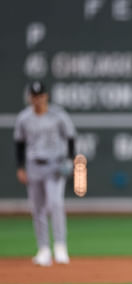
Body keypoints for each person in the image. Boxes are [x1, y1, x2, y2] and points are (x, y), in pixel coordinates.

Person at [14, 81, 76, 266]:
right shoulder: (24, 118)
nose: (37, 100)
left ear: (46, 96)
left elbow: (71, 137)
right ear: (30, 98)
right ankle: (43, 249)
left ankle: (60, 246)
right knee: (38, 208)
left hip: (55, 165)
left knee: (55, 204)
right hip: (34, 165)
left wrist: (70, 160)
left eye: (40, 96)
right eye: (34, 96)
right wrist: (20, 167)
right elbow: (19, 143)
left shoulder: (58, 116)